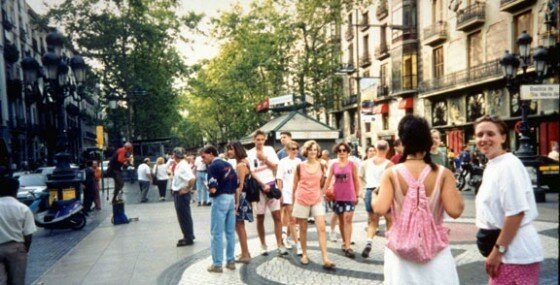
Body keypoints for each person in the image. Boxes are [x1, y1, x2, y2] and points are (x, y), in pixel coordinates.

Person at [374, 115, 464, 284]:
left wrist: (373, 196)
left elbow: (379, 208)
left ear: (403, 141)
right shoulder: (443, 173)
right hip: (435, 251)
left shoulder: (391, 173)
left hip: (401, 254)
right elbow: (455, 211)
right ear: (427, 141)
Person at [474, 115, 543, 284]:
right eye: (479, 135)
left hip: (515, 254)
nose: (484, 139)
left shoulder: (508, 165)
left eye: (490, 134)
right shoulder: (494, 164)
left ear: (503, 137)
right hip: (508, 253)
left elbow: (516, 213)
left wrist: (498, 251)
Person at [292, 140, 335, 269]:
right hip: (301, 199)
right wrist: (292, 204)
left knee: (321, 228)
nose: (313, 152)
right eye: (310, 149)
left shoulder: (322, 165)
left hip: (316, 199)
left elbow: (323, 183)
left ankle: (325, 257)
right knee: (303, 228)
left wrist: (324, 193)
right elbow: (295, 185)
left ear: (318, 152)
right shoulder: (300, 166)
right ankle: (304, 254)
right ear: (306, 151)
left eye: (315, 150)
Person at [247, 130, 285, 256]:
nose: (260, 142)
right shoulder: (250, 153)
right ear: (254, 140)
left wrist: (265, 159)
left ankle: (280, 244)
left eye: (262, 139)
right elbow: (252, 172)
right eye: (257, 139)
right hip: (259, 187)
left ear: (265, 140)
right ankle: (263, 244)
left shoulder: (269, 150)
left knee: (277, 216)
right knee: (260, 217)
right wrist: (262, 185)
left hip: (271, 185)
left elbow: (275, 167)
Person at [203, 146, 238, 273]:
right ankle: (231, 261)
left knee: (216, 233)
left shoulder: (212, 167)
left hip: (220, 199)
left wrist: (207, 187)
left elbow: (213, 188)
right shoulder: (228, 164)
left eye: (204, 156)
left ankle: (217, 264)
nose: (203, 159)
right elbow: (237, 184)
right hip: (231, 198)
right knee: (230, 232)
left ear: (211, 154)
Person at [324, 142, 360, 259]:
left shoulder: (352, 164)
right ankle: (344, 242)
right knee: (341, 220)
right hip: (337, 196)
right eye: (339, 150)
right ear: (336, 152)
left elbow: (356, 180)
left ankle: (348, 246)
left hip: (349, 195)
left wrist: (357, 194)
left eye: (344, 150)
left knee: (347, 219)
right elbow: (328, 179)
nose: (342, 152)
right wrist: (324, 192)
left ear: (348, 152)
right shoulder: (333, 165)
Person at [360, 140, 393, 258]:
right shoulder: (389, 164)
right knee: (389, 219)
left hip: (370, 191)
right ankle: (389, 245)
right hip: (384, 191)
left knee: (373, 221)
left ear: (376, 149)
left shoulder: (367, 163)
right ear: (388, 149)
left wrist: (361, 191)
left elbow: (360, 177)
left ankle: (369, 242)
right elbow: (392, 180)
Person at [0, 176, 36, 285]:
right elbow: (28, 234)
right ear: (16, 190)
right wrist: (24, 250)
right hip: (16, 248)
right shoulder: (23, 208)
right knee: (17, 280)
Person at [226, 142, 254, 264]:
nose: (229, 152)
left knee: (239, 226)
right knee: (239, 226)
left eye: (231, 149)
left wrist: (237, 204)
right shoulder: (244, 162)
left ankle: (245, 254)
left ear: (237, 150)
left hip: (241, 198)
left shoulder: (240, 165)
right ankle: (245, 252)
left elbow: (240, 186)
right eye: (228, 150)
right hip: (243, 197)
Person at [276, 141, 302, 255]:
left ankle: (285, 236)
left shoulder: (299, 161)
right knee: (292, 219)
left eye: (296, 148)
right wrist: (280, 193)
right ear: (287, 150)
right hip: (287, 193)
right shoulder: (282, 162)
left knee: (295, 219)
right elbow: (279, 179)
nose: (295, 151)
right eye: (292, 149)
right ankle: (298, 245)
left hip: (298, 193)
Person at [170, 148, 196, 247]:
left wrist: (187, 188)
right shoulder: (180, 165)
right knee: (184, 215)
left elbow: (192, 178)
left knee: (183, 216)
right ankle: (188, 235)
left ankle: (188, 237)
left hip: (181, 194)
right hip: (179, 193)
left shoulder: (182, 166)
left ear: (174, 155)